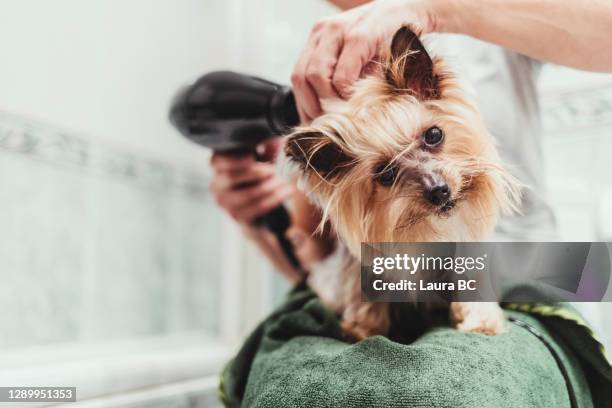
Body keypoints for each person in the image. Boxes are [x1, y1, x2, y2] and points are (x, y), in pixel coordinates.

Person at [209, 0, 612, 283]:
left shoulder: (481, 25)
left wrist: (430, 9)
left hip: (544, 278)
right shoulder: (310, 74)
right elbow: (317, 269)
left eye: (433, 138)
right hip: (401, 292)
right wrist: (257, 222)